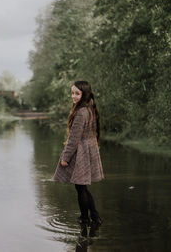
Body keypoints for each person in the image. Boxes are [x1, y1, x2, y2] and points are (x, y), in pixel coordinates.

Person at [53, 80, 104, 237]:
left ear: (84, 94)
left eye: (77, 93)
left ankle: (85, 218)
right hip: (89, 148)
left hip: (82, 150)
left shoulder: (81, 112)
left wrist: (65, 158)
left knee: (80, 187)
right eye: (72, 93)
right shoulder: (89, 108)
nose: (73, 96)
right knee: (82, 186)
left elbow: (74, 138)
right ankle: (94, 216)